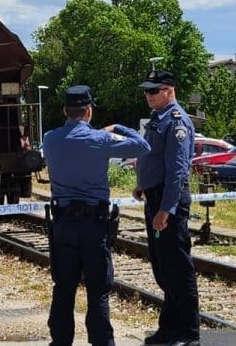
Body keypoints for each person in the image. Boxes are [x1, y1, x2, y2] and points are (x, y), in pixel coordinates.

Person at [42, 85, 150, 346]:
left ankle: (60, 342)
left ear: (64, 111)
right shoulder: (100, 140)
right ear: (88, 111)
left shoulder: (50, 138)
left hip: (63, 223)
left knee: (63, 289)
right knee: (98, 292)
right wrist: (116, 128)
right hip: (94, 224)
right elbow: (143, 146)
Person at [134, 69, 200, 346]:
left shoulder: (176, 122)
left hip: (168, 200)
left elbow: (176, 170)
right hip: (156, 197)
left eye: (154, 90)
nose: (148, 95)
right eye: (146, 91)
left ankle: (188, 332)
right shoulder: (157, 119)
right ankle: (170, 327)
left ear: (169, 91)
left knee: (178, 268)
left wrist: (166, 209)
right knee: (163, 269)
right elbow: (155, 159)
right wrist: (143, 185)